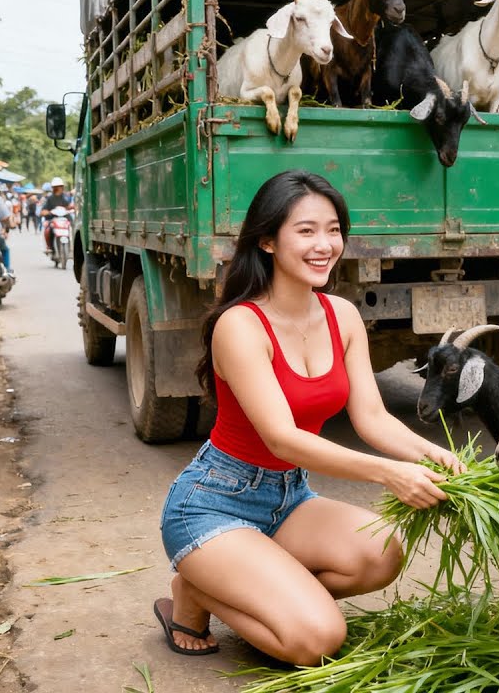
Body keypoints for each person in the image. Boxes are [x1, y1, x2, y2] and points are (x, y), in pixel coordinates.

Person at [155, 170, 465, 662]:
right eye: (305, 231)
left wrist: (435, 455)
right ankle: (195, 587)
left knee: (382, 554)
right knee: (317, 640)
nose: (325, 244)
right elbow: (281, 439)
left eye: (334, 229)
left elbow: (371, 417)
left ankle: (237, 589)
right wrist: (389, 472)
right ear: (268, 241)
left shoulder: (341, 315)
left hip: (288, 498)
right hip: (214, 504)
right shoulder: (239, 325)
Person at [41, 177, 74, 253]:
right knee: (48, 230)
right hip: (53, 219)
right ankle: (50, 246)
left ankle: (72, 245)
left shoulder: (65, 196)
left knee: (72, 226)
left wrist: (72, 208)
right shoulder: (50, 198)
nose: (59, 188)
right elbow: (44, 210)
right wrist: (48, 212)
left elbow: (69, 206)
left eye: (60, 186)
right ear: (53, 188)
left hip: (65, 218)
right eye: (57, 186)